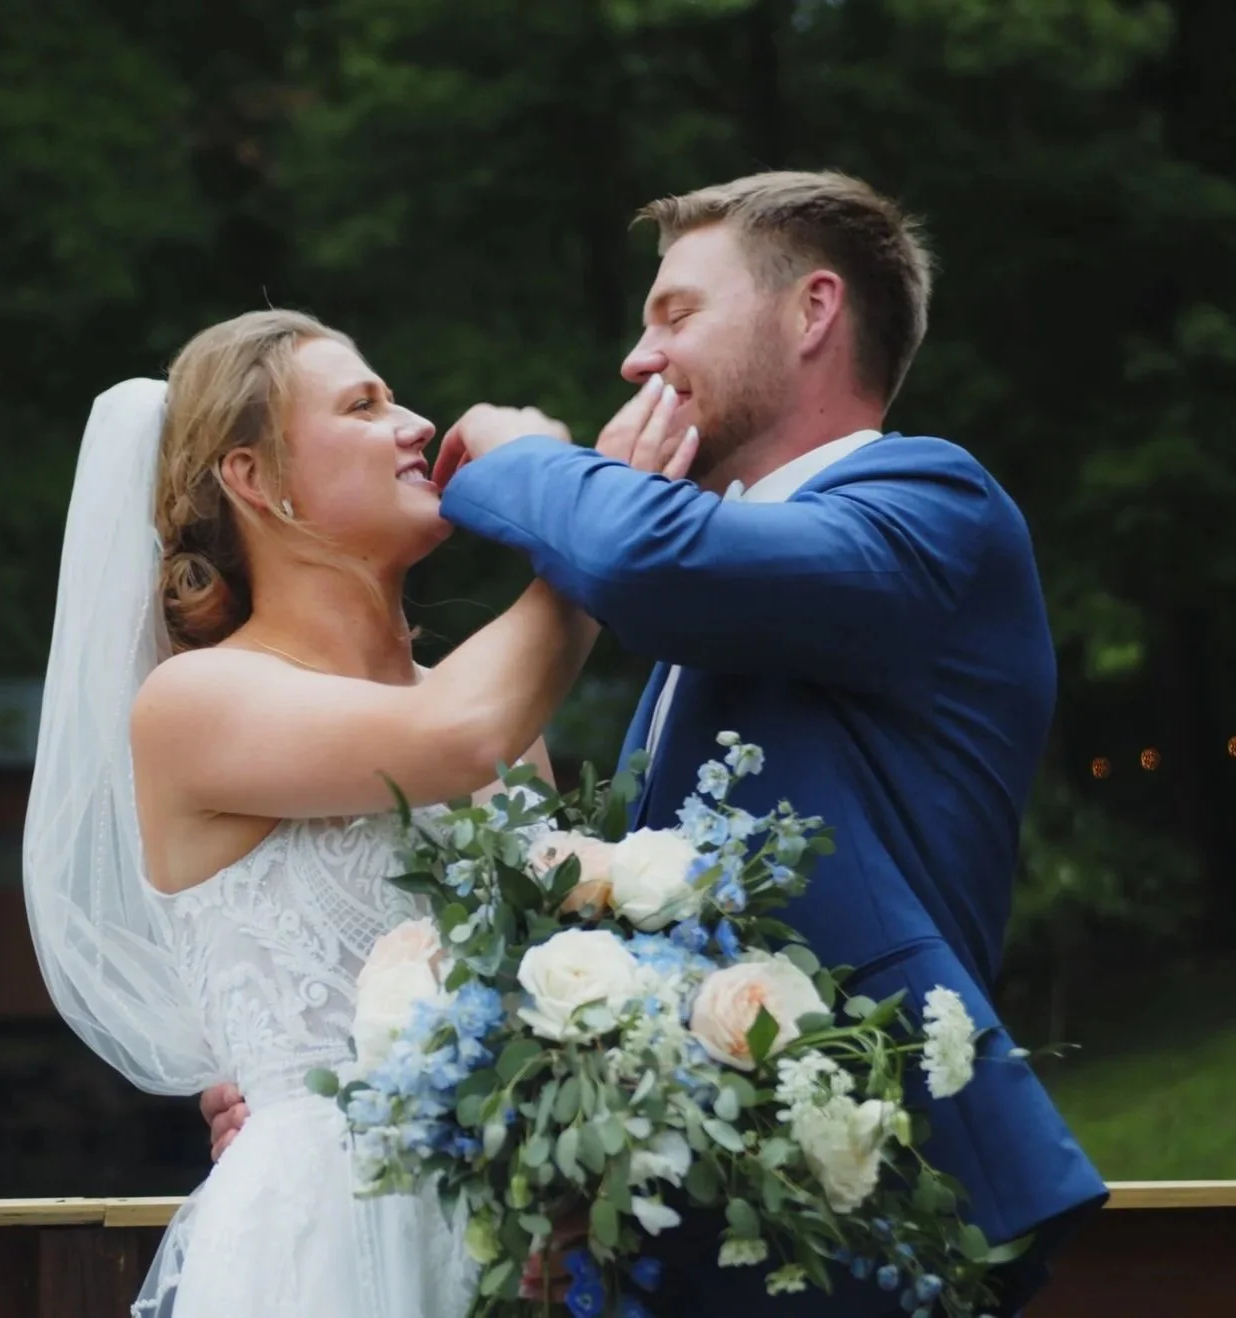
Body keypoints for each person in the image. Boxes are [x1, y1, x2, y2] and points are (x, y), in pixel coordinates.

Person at [206, 172, 1109, 1316]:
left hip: (862, 1203)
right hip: (696, 1230)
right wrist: (351, 1086)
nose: (638, 358)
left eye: (675, 313)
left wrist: (522, 454)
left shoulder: (932, 505)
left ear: (813, 310)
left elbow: (643, 559)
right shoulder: (713, 610)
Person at [21, 309, 695, 1316]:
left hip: (518, 1245)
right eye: (363, 404)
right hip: (328, 1237)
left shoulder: (495, 715)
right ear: (253, 477)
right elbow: (448, 736)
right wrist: (598, 517)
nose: (416, 422)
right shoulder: (194, 702)